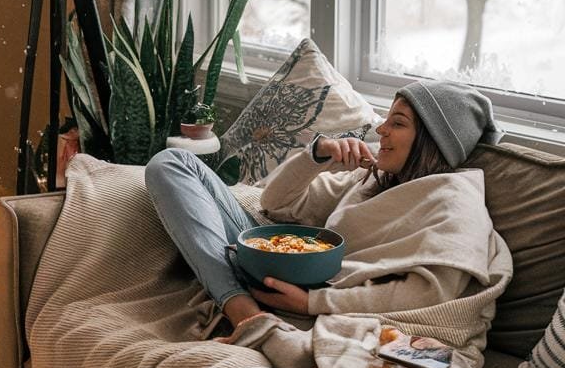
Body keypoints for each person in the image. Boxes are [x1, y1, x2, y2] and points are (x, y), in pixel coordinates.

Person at [145, 79, 502, 332]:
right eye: (386, 120)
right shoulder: (373, 178)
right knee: (172, 163)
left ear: (433, 141)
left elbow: (431, 291)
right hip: (276, 263)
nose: (381, 132)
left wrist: (310, 304)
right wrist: (317, 155)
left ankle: (239, 307)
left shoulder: (455, 199)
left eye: (398, 123)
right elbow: (276, 203)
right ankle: (239, 301)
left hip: (315, 295)